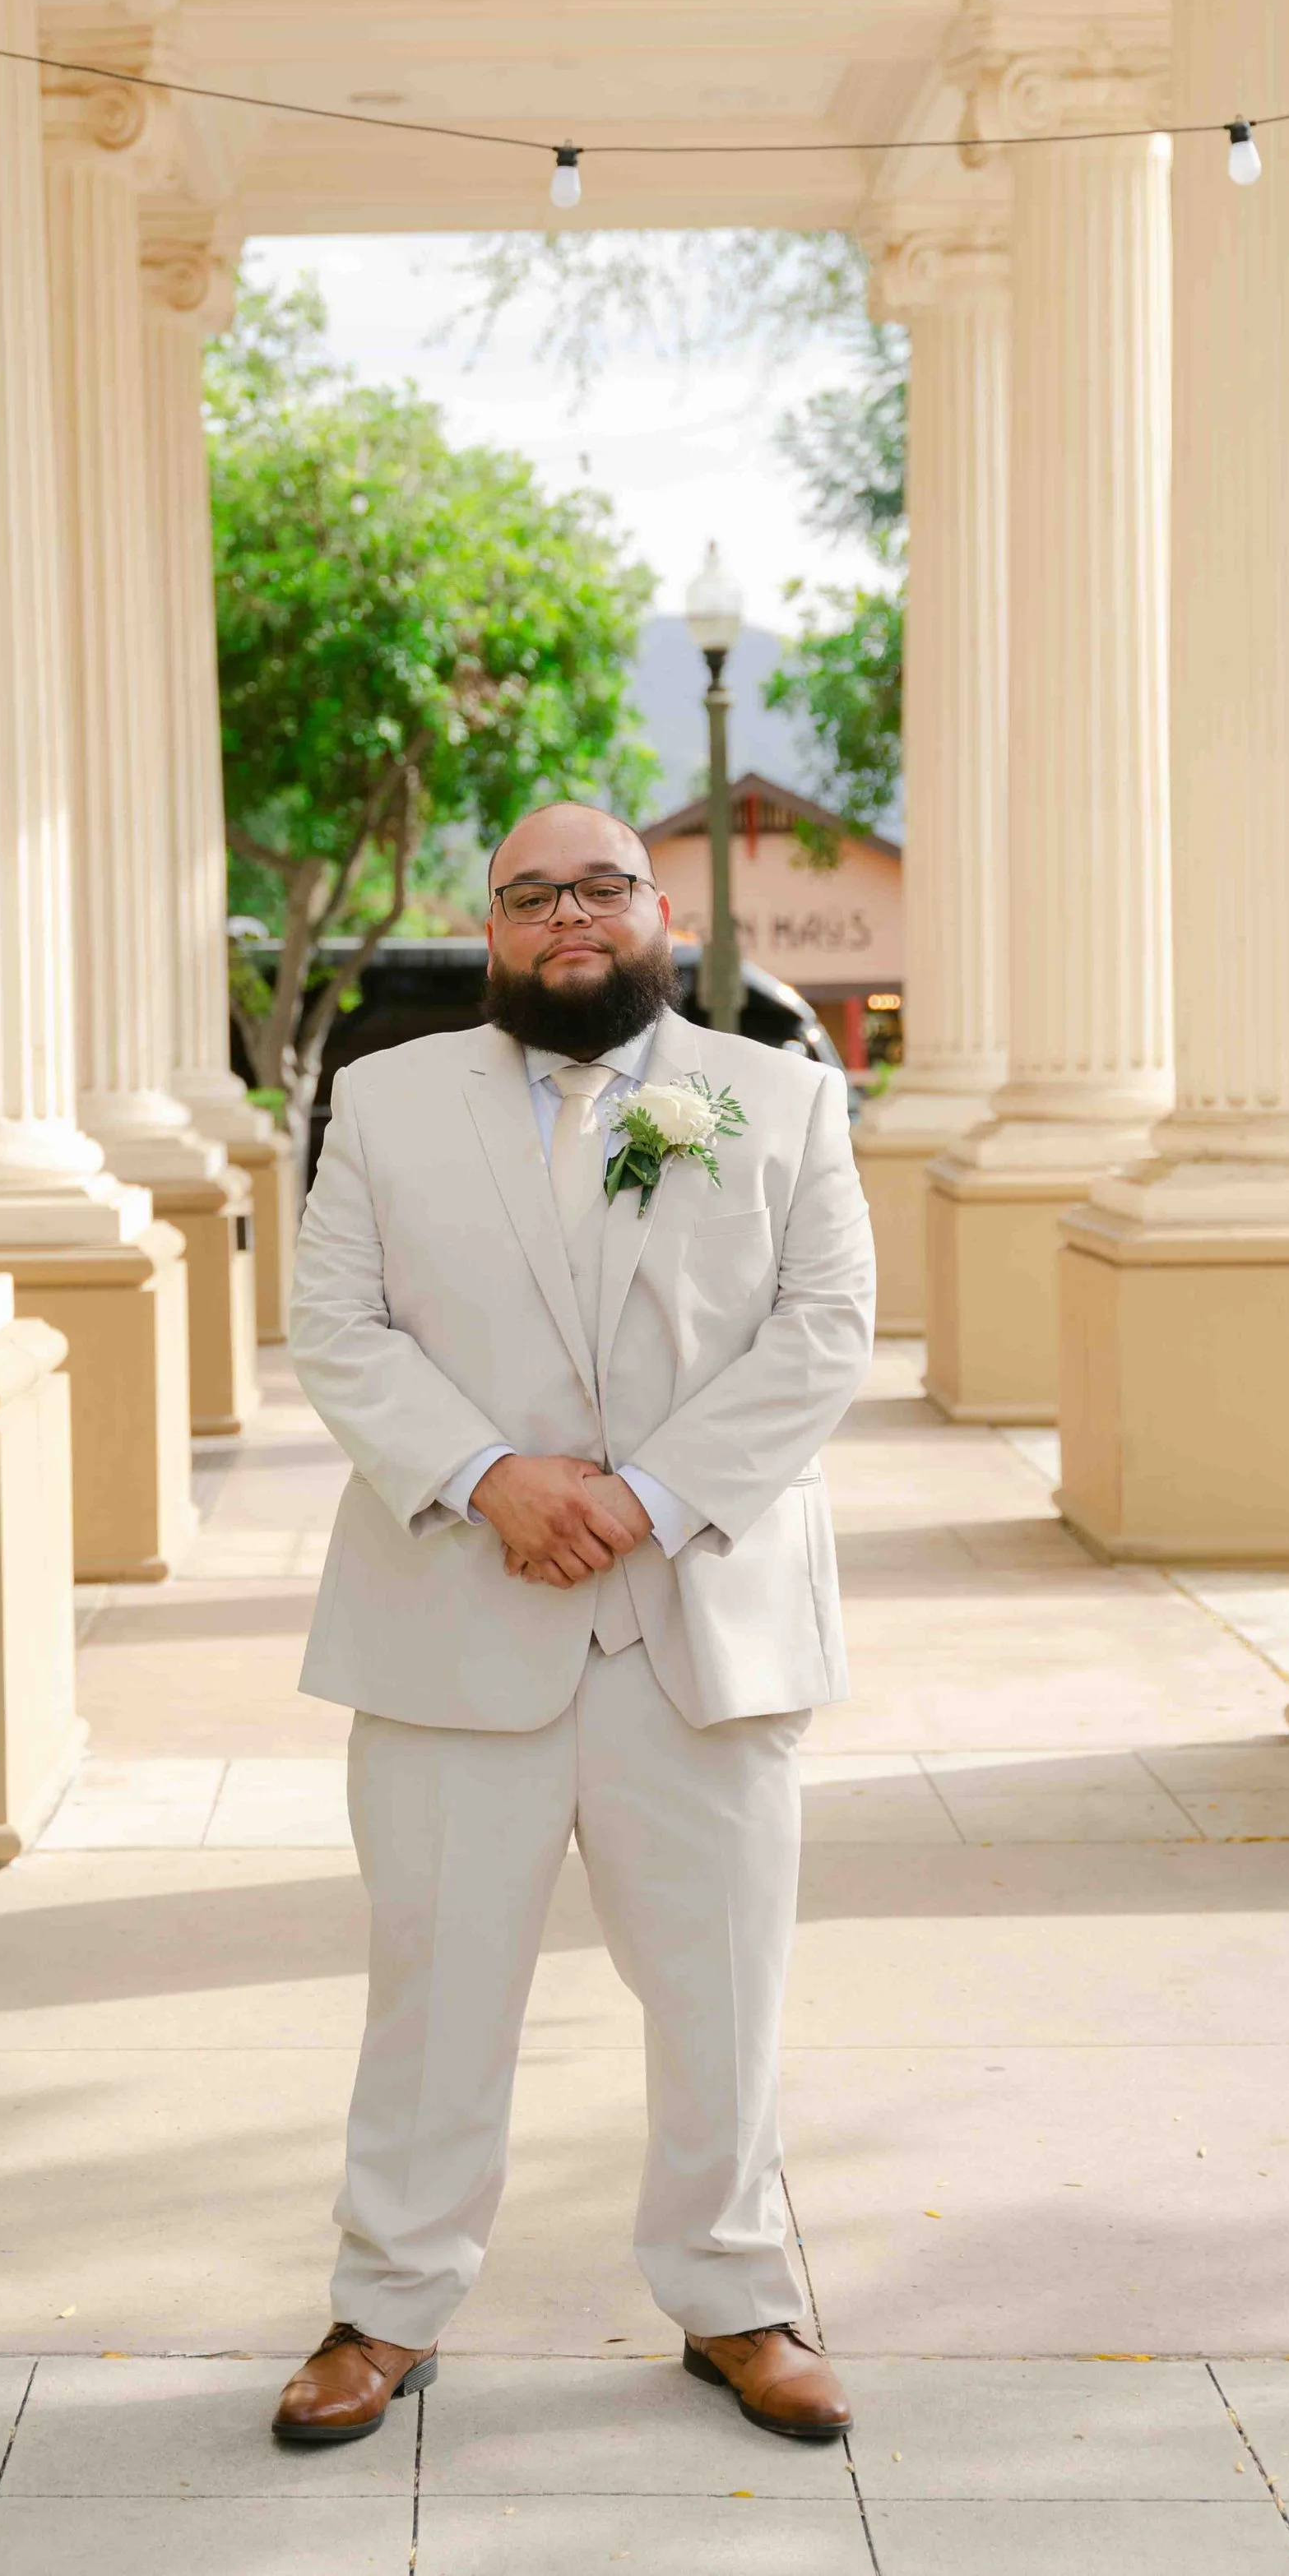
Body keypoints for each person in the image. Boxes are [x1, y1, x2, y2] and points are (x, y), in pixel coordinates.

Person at [273, 799, 875, 2448]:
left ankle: (735, 2296)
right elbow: (336, 1326)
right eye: (531, 895)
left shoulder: (777, 1095)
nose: (569, 919)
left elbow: (825, 1329)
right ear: (492, 928)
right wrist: (490, 1479)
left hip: (704, 1625)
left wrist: (650, 1499)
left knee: (724, 1991)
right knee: (432, 1993)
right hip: (456, 1616)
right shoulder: (386, 1101)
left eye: (602, 888)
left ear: (660, 913)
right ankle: (385, 2308)